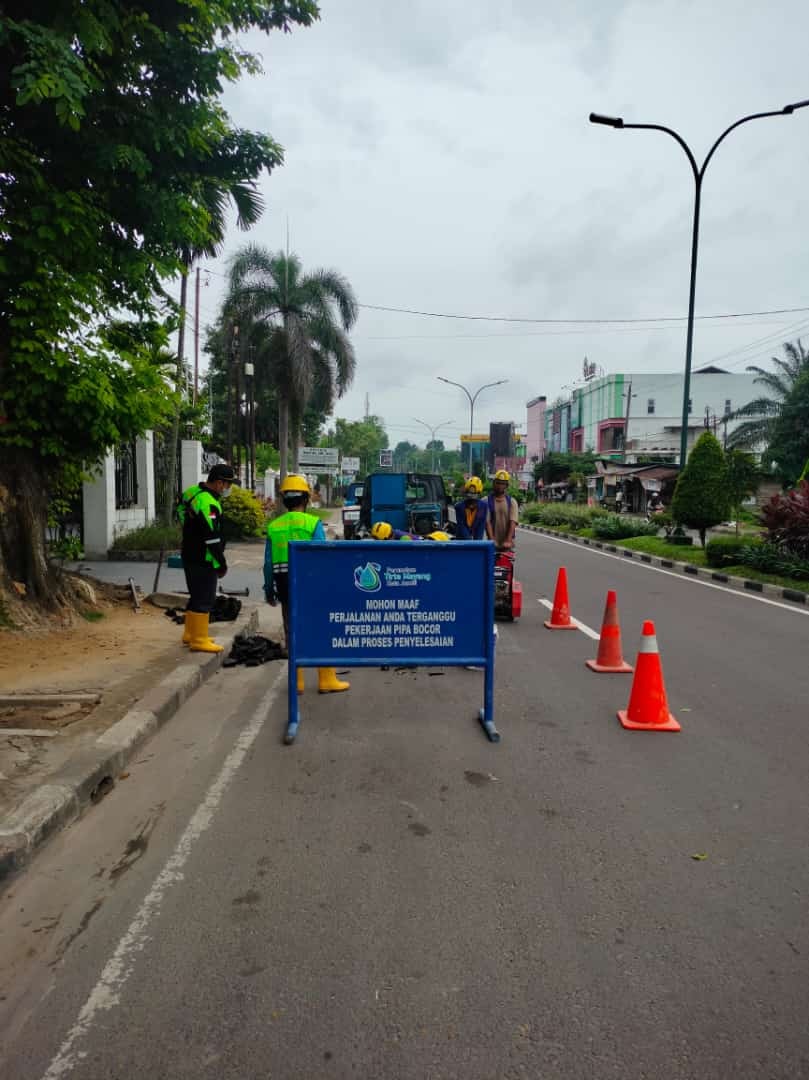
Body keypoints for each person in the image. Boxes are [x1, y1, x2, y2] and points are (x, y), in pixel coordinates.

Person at [264, 474, 349, 696]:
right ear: (306, 499)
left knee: (293, 632)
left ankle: (297, 682)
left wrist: (268, 591)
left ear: (283, 499)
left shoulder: (274, 526)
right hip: (310, 588)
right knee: (322, 630)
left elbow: (267, 564)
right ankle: (326, 679)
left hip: (284, 589)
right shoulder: (313, 523)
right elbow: (322, 558)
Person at [177, 463, 235, 653]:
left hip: (189, 552)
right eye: (227, 484)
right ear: (219, 483)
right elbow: (212, 537)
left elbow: (181, 512)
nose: (228, 489)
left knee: (195, 594)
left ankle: (190, 633)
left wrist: (190, 531)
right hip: (204, 557)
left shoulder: (192, 492)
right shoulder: (209, 502)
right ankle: (199, 640)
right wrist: (221, 563)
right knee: (205, 598)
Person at [485, 470, 519, 549]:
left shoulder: (512, 502)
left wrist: (508, 540)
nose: (500, 485)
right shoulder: (486, 501)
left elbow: (513, 521)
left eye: (503, 483)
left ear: (506, 485)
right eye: (498, 483)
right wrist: (491, 539)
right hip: (492, 543)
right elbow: (487, 522)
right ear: (493, 483)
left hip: (507, 543)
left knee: (506, 561)